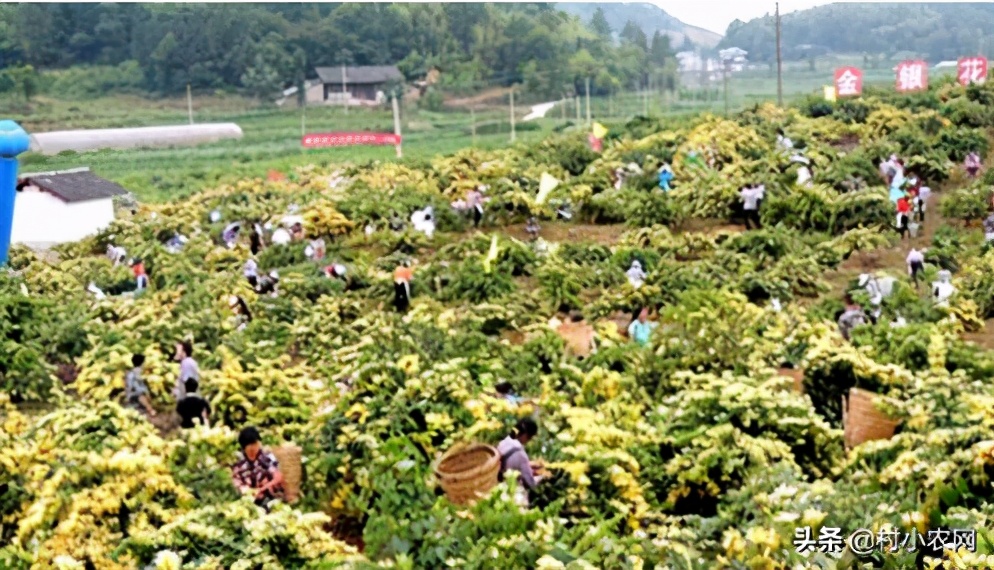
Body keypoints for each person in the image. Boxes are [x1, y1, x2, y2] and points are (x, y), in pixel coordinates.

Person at [231, 426, 285, 509]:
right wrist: (248, 491)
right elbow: (237, 482)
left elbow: (278, 477)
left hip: (271, 498)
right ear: (244, 447)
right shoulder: (239, 464)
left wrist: (262, 489)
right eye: (250, 445)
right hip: (249, 501)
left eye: (256, 444)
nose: (254, 447)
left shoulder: (267, 457)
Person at [497, 418, 544, 507]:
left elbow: (510, 463)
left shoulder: (502, 443)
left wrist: (528, 464)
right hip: (512, 495)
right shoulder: (520, 454)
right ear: (526, 435)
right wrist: (542, 477)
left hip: (499, 489)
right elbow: (530, 483)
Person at [125, 354, 156, 418]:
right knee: (141, 396)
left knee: (145, 396)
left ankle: (148, 409)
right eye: (144, 362)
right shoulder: (133, 373)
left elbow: (142, 384)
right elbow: (132, 386)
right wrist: (144, 391)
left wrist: (146, 391)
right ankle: (150, 410)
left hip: (140, 392)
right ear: (142, 363)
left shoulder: (139, 371)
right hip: (134, 394)